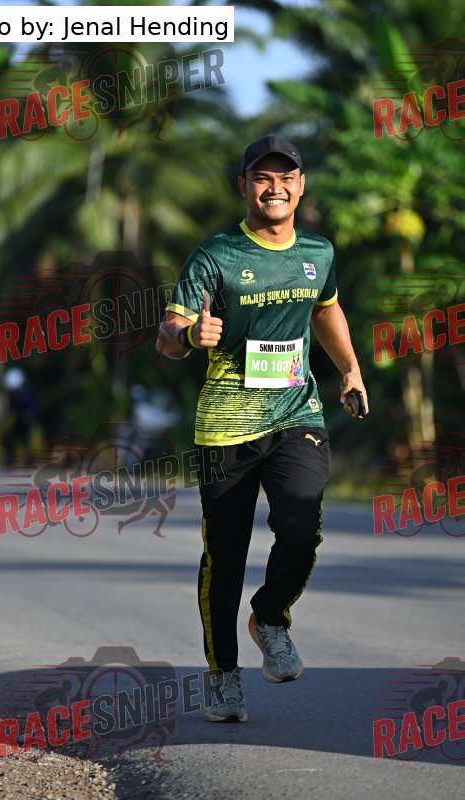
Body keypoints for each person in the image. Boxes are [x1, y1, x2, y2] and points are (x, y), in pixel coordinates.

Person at [156, 134, 368, 722]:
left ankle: (271, 616)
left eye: (286, 177)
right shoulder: (215, 255)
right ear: (244, 186)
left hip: (297, 413)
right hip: (226, 426)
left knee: (301, 526)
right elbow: (166, 337)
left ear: (301, 186)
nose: (275, 188)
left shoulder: (319, 251)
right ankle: (223, 676)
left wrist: (350, 370)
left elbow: (325, 307)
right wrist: (187, 336)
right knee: (225, 558)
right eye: (262, 177)